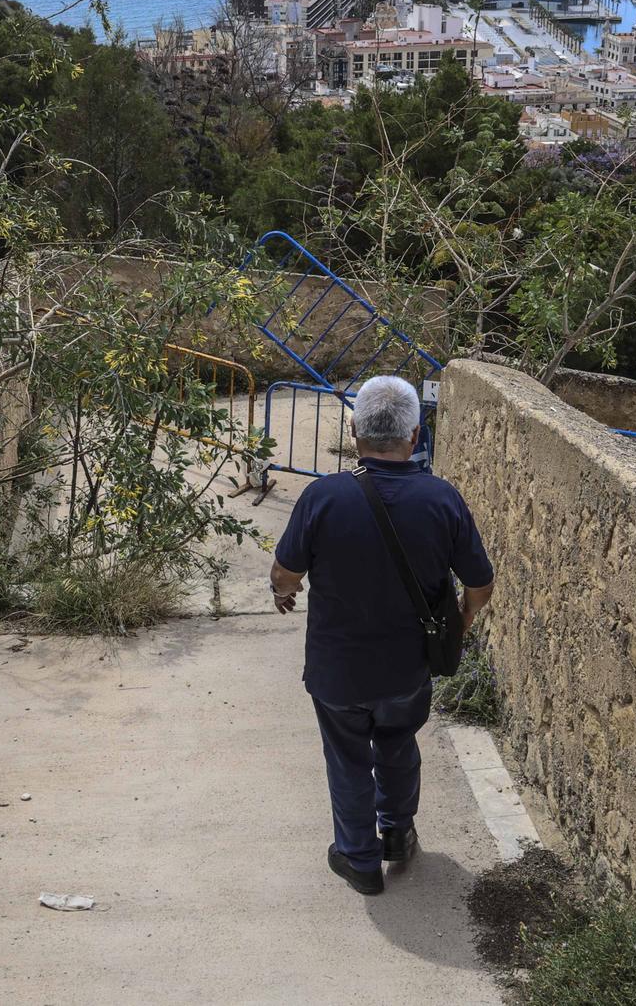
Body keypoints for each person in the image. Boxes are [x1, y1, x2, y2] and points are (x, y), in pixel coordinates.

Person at [270, 374, 493, 896]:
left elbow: (286, 573)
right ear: (414, 436)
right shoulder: (442, 500)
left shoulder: (322, 498)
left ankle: (358, 859)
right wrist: (458, 625)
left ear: (355, 432)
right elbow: (479, 585)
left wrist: (282, 592)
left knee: (347, 757)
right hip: (407, 667)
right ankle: (397, 834)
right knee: (396, 743)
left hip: (338, 671)